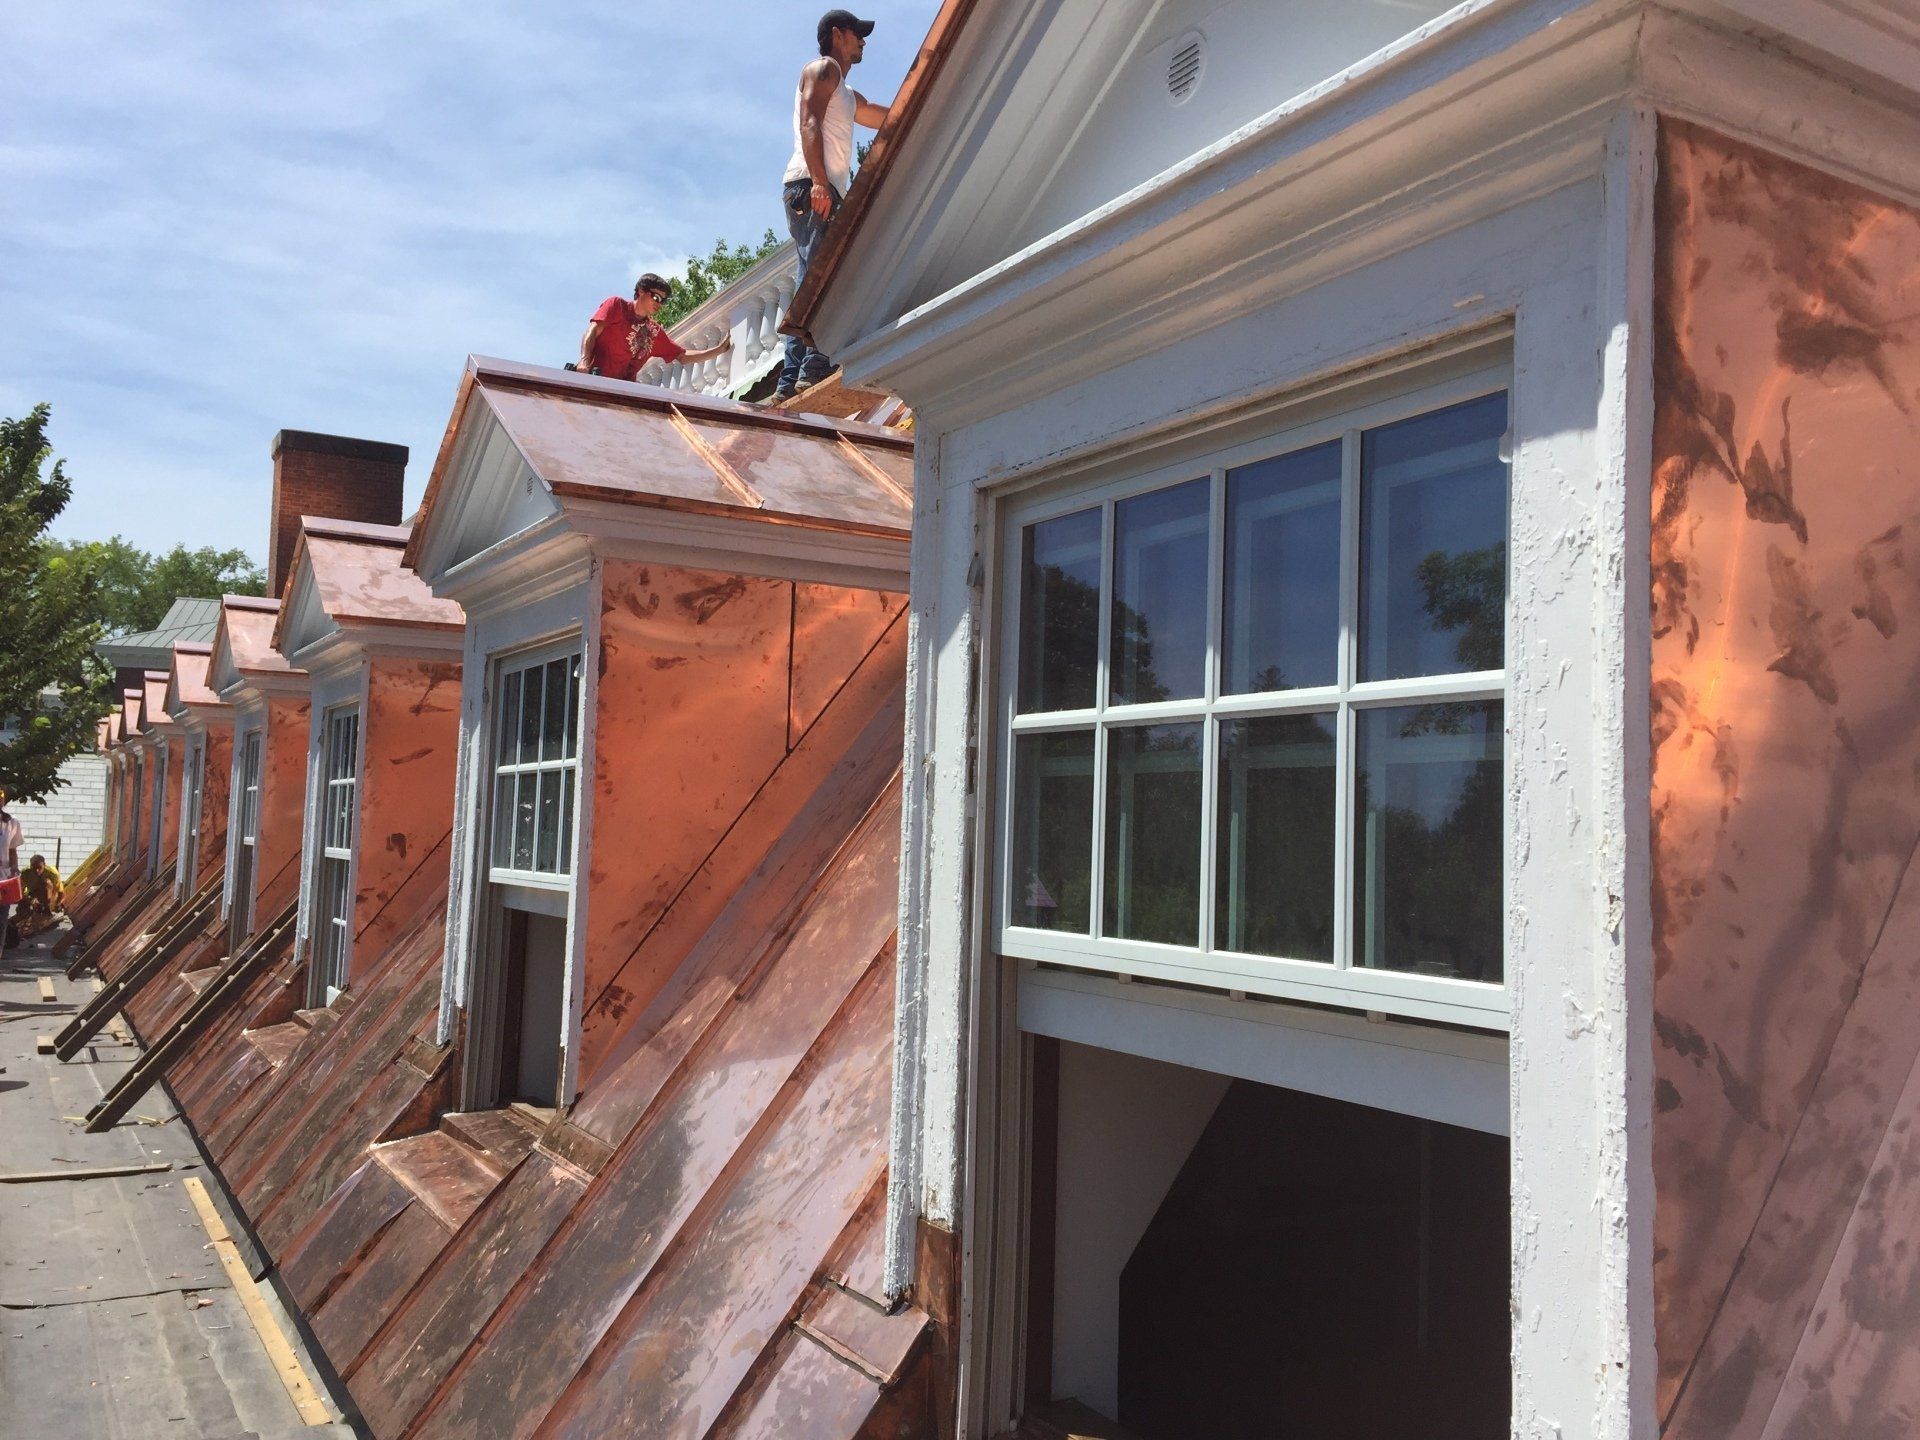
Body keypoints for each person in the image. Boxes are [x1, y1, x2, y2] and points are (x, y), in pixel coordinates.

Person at [776, 9, 892, 400]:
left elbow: (882, 115)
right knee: (824, 276)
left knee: (809, 276)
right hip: (811, 186)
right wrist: (821, 183)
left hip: (817, 188)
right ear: (838, 34)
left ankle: (791, 378)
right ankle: (816, 365)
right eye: (858, 34)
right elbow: (810, 122)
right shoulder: (822, 69)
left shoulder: (846, 93)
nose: (863, 42)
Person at [575, 274, 730, 382]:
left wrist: (719, 350)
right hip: (591, 380)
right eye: (656, 297)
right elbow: (593, 330)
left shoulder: (653, 332)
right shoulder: (617, 306)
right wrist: (584, 361)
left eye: (663, 301)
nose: (659, 303)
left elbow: (682, 356)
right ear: (641, 291)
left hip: (620, 393)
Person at [18, 855, 63, 938]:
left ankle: (47, 912)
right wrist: (30, 899)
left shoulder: (52, 873)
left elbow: (60, 891)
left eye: (39, 868)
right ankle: (28, 920)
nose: (37, 871)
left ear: (44, 865)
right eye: (34, 868)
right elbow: (20, 890)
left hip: (49, 895)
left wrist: (57, 904)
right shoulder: (25, 873)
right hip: (32, 894)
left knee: (47, 883)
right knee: (22, 911)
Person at [0, 790, 19, 955]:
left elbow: (12, 851)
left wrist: (15, 868)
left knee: (2, 920)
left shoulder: (11, 823)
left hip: (4, 878)